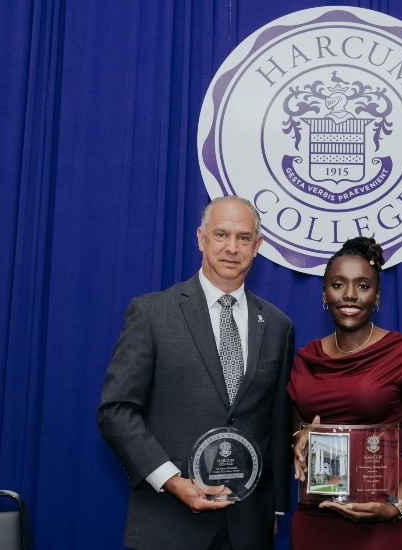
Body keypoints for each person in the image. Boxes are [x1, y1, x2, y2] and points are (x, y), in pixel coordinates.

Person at [97, 196, 295, 550]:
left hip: (249, 529)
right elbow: (116, 412)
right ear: (201, 238)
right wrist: (172, 480)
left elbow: (276, 423)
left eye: (243, 237)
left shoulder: (278, 326)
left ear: (258, 246)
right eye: (221, 234)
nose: (232, 248)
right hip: (168, 522)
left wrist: (276, 511)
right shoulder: (152, 313)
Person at [287, 237, 402, 549]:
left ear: (377, 296)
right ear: (324, 293)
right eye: (338, 284)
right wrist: (299, 439)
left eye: (362, 286)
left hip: (384, 517)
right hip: (316, 516)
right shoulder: (307, 358)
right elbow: (298, 429)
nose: (349, 295)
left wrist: (394, 506)